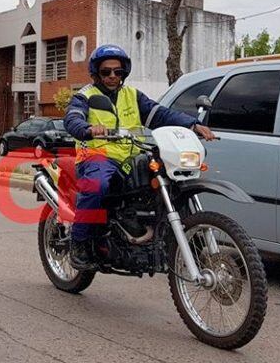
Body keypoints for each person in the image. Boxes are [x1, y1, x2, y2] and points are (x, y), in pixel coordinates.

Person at [64, 44, 215, 270]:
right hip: (97, 155)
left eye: (118, 71)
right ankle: (80, 241)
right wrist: (86, 128)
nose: (113, 76)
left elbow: (159, 114)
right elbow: (72, 118)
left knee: (166, 178)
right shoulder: (85, 96)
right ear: (96, 73)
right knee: (97, 185)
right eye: (106, 72)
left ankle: (159, 232)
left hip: (131, 155)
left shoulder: (132, 95)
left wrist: (192, 124)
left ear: (124, 73)